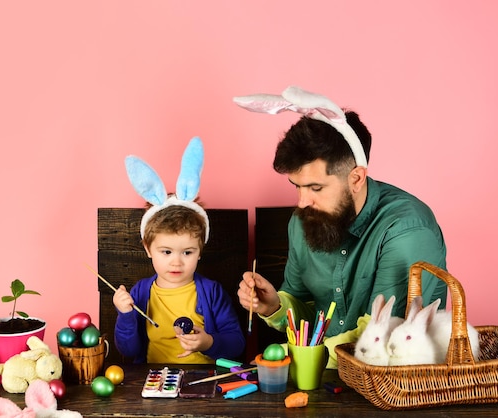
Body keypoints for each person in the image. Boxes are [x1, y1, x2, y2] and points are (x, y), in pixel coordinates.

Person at [233, 86, 448, 367]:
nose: (301, 202)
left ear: (356, 178)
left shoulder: (406, 229)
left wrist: (300, 356)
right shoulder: (302, 222)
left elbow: (383, 337)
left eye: (315, 187)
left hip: (392, 389)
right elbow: (308, 316)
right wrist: (274, 306)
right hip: (322, 382)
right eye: (296, 186)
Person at [114, 137, 245, 364]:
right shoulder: (140, 292)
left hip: (203, 381)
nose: (176, 262)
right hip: (154, 380)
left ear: (200, 250)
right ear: (148, 248)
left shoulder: (211, 291)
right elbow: (128, 349)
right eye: (166, 252)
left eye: (187, 252)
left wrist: (209, 343)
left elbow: (237, 344)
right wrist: (125, 315)